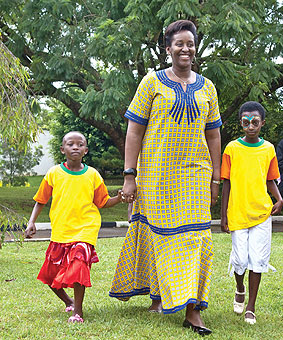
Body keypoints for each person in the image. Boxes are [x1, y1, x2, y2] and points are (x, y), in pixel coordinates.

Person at [109, 20, 221, 336]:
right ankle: (159, 293)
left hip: (196, 175)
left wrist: (215, 178)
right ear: (168, 48)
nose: (185, 49)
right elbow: (134, 130)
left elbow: (213, 135)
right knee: (159, 235)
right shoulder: (151, 82)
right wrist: (129, 175)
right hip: (156, 175)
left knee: (198, 237)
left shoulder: (207, 86)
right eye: (179, 43)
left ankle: (193, 309)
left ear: (195, 48)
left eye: (190, 43)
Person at [24, 131, 122, 323]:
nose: (75, 147)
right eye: (70, 144)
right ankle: (68, 302)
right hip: (61, 231)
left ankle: (78, 311)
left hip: (86, 229)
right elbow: (40, 200)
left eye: (79, 144)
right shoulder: (53, 173)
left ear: (85, 150)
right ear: (63, 149)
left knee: (79, 267)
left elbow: (102, 202)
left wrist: (118, 198)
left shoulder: (93, 175)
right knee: (50, 276)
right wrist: (31, 222)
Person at [220, 101, 283, 325]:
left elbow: (270, 178)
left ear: (262, 123)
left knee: (257, 260)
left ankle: (251, 307)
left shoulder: (268, 149)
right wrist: (223, 214)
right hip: (237, 211)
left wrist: (279, 198)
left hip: (262, 213)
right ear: (240, 124)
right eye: (246, 122)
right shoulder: (231, 149)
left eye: (255, 121)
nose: (250, 125)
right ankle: (239, 287)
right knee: (240, 259)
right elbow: (225, 183)